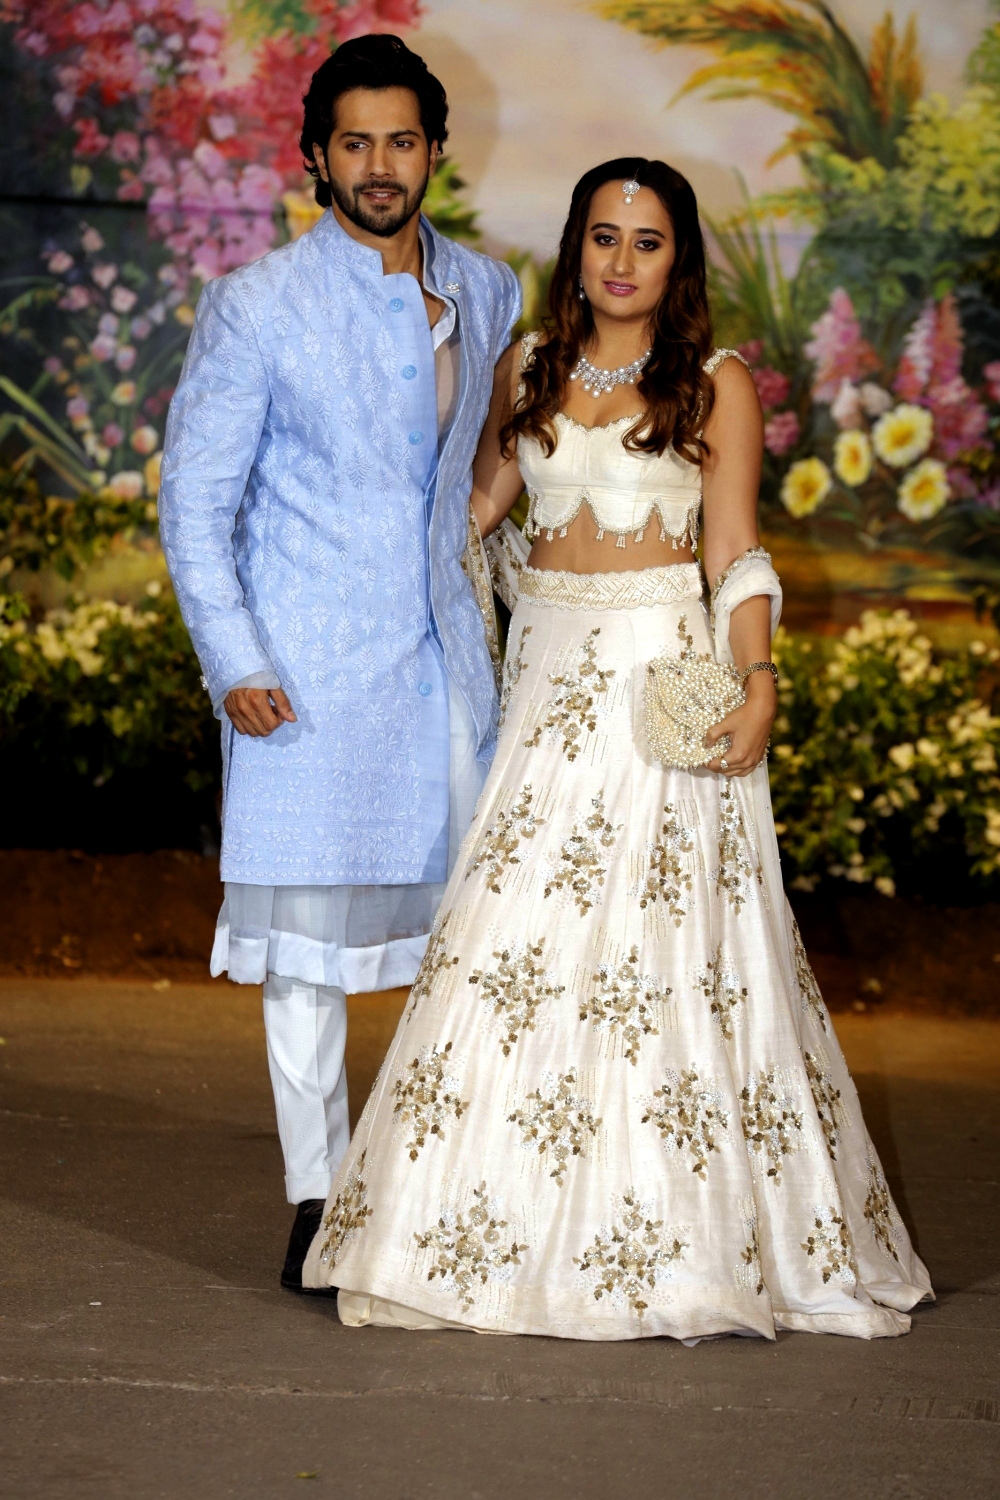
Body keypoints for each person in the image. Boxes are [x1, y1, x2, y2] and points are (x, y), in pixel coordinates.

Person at [302, 158, 933, 1340]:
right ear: (576, 248)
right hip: (541, 691)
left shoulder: (713, 383)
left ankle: (679, 1243)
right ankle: (467, 1241)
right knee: (512, 945)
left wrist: (757, 679)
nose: (622, 260)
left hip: (656, 691)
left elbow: (734, 552)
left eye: (646, 242)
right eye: (603, 236)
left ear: (676, 258)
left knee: (661, 962)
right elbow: (468, 516)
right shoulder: (528, 370)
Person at [159, 35, 520, 1292]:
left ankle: (440, 1183)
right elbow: (195, 503)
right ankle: (319, 1202)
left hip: (441, 676)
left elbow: (488, 466)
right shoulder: (259, 303)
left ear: (434, 151)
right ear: (315, 154)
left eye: (401, 141)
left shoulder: (489, 291)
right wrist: (235, 659)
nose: (379, 166)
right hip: (299, 685)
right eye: (354, 143)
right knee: (306, 962)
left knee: (469, 938)